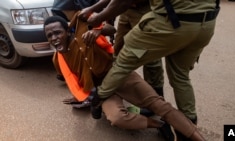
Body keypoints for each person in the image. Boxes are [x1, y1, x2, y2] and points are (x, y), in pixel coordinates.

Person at [44, 15, 206, 141]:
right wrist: (80, 97)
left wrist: (97, 31)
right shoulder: (57, 60)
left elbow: (111, 30)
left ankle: (198, 138)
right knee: (117, 118)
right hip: (102, 90)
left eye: (57, 32)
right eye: (49, 35)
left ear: (67, 31)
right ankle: (161, 125)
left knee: (159, 105)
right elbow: (74, 79)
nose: (54, 38)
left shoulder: (84, 34)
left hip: (118, 74)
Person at [78, 0, 220, 138]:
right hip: (205, 22)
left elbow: (123, 2)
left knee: (125, 62)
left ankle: (98, 99)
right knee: (180, 77)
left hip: (171, 20)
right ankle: (186, 131)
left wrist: (98, 17)